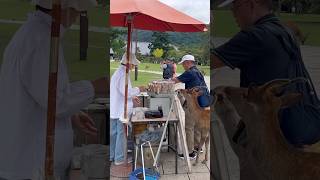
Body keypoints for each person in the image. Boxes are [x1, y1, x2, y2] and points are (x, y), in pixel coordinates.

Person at [0, 0, 108, 179]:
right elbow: (55, 100)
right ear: (65, 9)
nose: (75, 18)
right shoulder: (40, 40)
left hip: (29, 162)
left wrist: (72, 115)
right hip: (29, 167)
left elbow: (40, 94)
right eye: (76, 11)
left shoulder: (36, 35)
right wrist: (94, 86)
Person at [212, 0, 320, 147]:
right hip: (301, 122)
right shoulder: (283, 29)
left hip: (276, 135)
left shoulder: (255, 35)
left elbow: (209, 61)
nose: (233, 13)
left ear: (251, 4)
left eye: (235, 7)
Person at [110, 52, 145, 165]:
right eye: (133, 64)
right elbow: (127, 92)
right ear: (129, 63)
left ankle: (113, 155)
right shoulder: (122, 74)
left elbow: (123, 93)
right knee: (121, 133)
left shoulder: (119, 72)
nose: (134, 66)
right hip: (121, 110)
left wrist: (132, 97)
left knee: (115, 133)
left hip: (116, 107)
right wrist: (139, 89)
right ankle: (119, 158)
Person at [172, 54, 210, 160]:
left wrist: (172, 76)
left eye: (183, 63)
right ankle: (198, 147)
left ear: (188, 62)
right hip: (202, 103)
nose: (183, 66)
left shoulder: (189, 72)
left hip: (193, 104)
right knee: (197, 126)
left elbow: (175, 80)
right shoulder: (198, 71)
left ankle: (189, 153)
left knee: (189, 127)